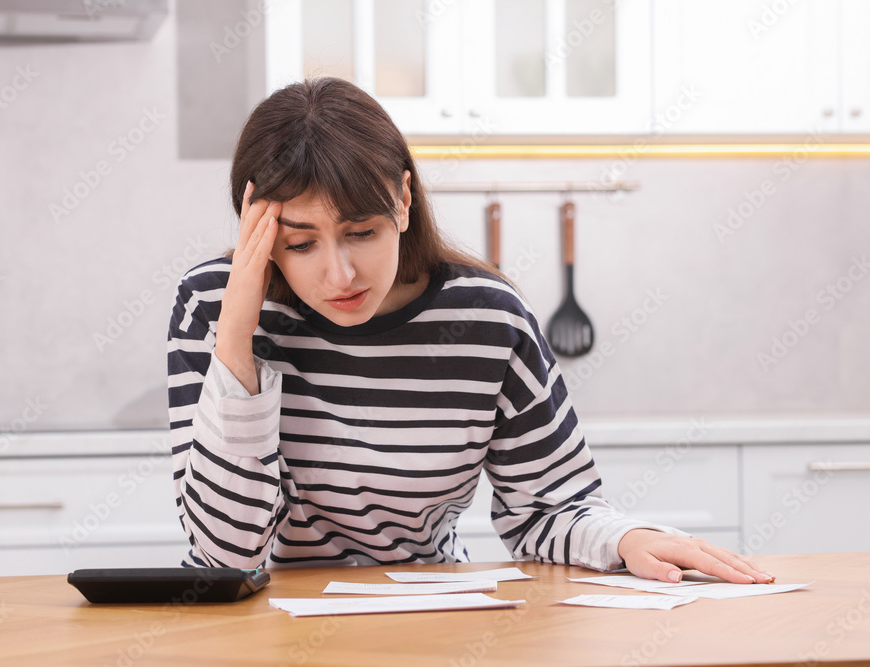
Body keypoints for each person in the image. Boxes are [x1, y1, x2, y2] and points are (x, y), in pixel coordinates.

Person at [167, 77, 773, 585]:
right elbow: (226, 556)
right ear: (257, 231)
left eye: (362, 232)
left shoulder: (487, 320)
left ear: (404, 200)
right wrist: (236, 342)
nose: (340, 274)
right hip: (258, 626)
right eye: (301, 244)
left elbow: (549, 508)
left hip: (427, 613)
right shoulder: (212, 307)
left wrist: (625, 538)